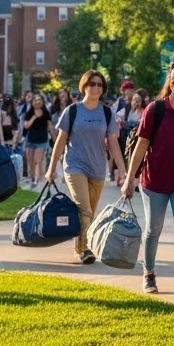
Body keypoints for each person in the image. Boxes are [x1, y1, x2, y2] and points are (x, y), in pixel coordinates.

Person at [122, 63, 174, 300]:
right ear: (172, 85)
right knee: (153, 230)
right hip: (154, 182)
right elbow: (141, 145)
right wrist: (130, 178)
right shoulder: (155, 109)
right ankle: (149, 273)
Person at [49, 70, 128, 264]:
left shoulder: (106, 113)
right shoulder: (73, 111)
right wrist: (51, 168)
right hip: (75, 165)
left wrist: (122, 169)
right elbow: (60, 141)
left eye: (100, 85)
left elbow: (113, 143)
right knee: (83, 208)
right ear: (84, 86)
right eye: (92, 84)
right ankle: (84, 249)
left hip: (98, 168)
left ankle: (81, 245)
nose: (96, 88)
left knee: (90, 212)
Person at [22, 92, 53, 188]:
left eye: (39, 100)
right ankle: (32, 179)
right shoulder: (29, 113)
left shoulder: (46, 114)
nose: (37, 102)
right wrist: (34, 118)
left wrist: (55, 141)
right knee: (30, 161)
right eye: (35, 100)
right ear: (32, 103)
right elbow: (26, 126)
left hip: (42, 141)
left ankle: (36, 180)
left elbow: (50, 128)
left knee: (37, 161)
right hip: (30, 141)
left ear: (43, 102)